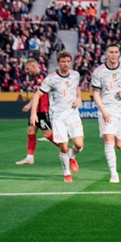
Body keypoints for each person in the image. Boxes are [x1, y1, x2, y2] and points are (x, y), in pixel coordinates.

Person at [29, 51, 83, 182]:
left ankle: (72, 156)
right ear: (58, 63)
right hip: (58, 116)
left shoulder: (76, 75)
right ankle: (66, 173)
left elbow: (77, 88)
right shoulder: (51, 79)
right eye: (63, 61)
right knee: (63, 146)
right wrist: (33, 113)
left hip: (73, 114)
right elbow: (37, 95)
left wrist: (80, 98)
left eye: (68, 61)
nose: (66, 64)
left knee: (79, 144)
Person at [92, 43, 121, 183]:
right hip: (107, 110)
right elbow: (95, 93)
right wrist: (103, 111)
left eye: (116, 52)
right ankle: (114, 173)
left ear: (119, 54)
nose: (114, 54)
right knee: (109, 140)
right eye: (111, 52)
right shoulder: (98, 72)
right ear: (106, 54)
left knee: (120, 145)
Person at [16, 58, 57, 165]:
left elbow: (39, 94)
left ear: (34, 66)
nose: (27, 71)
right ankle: (30, 157)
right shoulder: (36, 77)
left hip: (43, 110)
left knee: (47, 134)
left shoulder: (41, 76)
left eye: (28, 69)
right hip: (36, 110)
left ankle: (67, 149)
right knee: (31, 131)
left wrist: (29, 105)